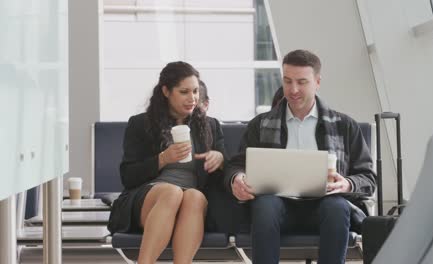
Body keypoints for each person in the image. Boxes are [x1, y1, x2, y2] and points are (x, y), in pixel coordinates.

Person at [224, 49, 376, 264]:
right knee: (266, 205)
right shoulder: (261, 124)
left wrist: (348, 184)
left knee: (337, 206)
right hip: (277, 207)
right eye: (287, 81)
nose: (293, 90)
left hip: (324, 206)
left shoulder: (344, 126)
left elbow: (368, 177)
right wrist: (236, 179)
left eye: (302, 82)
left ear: (317, 82)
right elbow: (236, 165)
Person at [107, 61, 226, 264]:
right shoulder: (140, 124)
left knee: (195, 196)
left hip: (190, 202)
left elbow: (225, 172)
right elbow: (128, 176)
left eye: (196, 91)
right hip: (150, 198)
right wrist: (163, 158)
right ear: (166, 91)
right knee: (172, 192)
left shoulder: (210, 126)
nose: (193, 98)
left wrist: (220, 159)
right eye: (184, 92)